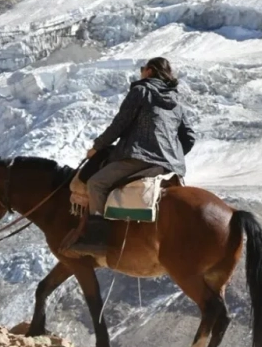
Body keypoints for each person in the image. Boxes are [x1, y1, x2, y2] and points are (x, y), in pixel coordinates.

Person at [71, 57, 197, 258]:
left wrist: (97, 147)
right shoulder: (176, 103)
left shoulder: (141, 90)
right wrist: (173, 155)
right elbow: (189, 137)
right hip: (170, 166)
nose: (141, 72)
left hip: (139, 157)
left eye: (142, 69)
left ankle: (98, 240)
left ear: (150, 71)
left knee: (96, 183)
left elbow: (119, 124)